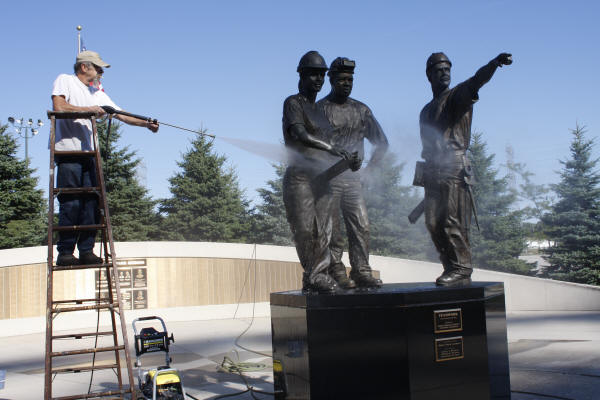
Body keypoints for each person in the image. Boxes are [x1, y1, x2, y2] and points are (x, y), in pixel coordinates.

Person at [51, 50, 159, 266]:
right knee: (71, 202)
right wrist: (89, 110)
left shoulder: (97, 94)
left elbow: (120, 113)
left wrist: (146, 123)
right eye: (98, 68)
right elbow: (59, 107)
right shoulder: (66, 81)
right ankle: (65, 252)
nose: (101, 72)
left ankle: (86, 250)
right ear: (84, 67)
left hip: (90, 154)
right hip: (68, 152)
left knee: (92, 202)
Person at [419, 51, 512, 286]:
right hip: (432, 170)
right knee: (432, 223)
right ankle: (450, 265)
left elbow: (476, 80)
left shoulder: (457, 96)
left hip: (453, 166)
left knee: (453, 221)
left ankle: (462, 268)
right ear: (429, 75)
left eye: (447, 69)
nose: (444, 73)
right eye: (438, 70)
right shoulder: (426, 110)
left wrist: (493, 64)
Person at [282, 51, 350, 293]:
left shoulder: (321, 112)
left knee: (325, 230)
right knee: (304, 230)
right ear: (301, 74)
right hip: (300, 178)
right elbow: (300, 135)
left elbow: (333, 149)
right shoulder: (293, 103)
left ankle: (316, 275)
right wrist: (333, 148)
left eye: (322, 75)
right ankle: (314, 274)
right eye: (313, 74)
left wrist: (348, 160)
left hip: (323, 179)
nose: (319, 80)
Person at [317, 57, 389, 288]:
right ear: (331, 80)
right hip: (328, 179)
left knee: (361, 225)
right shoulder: (320, 109)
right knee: (331, 230)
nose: (347, 83)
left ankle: (361, 271)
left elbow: (382, 143)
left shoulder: (362, 110)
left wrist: (369, 171)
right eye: (342, 79)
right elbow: (310, 147)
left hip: (353, 179)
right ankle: (336, 271)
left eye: (350, 79)